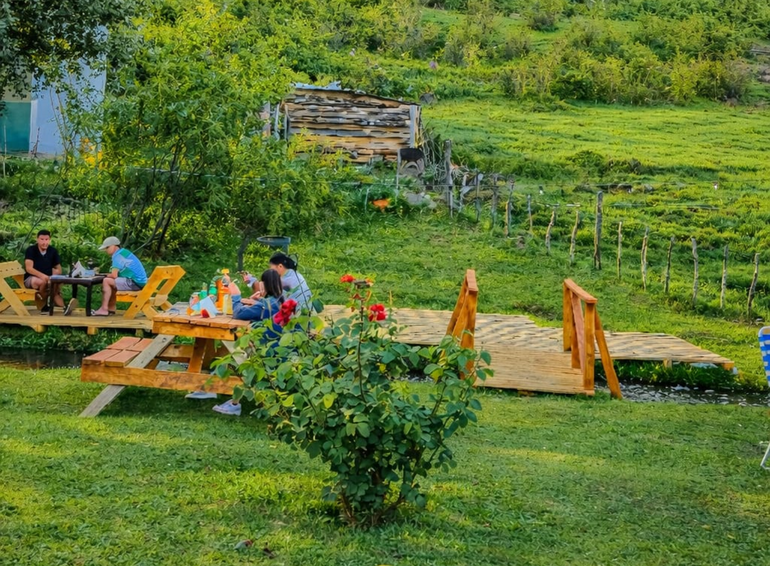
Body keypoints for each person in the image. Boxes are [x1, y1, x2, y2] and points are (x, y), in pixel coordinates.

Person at [210, 269, 286, 416]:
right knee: (235, 357)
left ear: (265, 285)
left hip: (268, 353)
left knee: (238, 360)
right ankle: (213, 391)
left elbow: (239, 314)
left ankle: (232, 402)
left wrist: (236, 296)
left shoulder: (265, 305)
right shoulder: (282, 299)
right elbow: (267, 309)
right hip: (285, 349)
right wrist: (258, 301)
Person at [92, 236, 148, 316]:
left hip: (135, 283)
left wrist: (104, 275)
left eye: (107, 247)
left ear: (114, 246)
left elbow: (114, 275)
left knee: (106, 281)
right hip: (140, 282)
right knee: (112, 282)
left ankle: (104, 309)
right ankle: (111, 308)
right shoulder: (124, 252)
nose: (106, 250)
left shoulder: (117, 256)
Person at [24, 229, 64, 311]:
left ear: (49, 240)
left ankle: (63, 307)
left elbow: (59, 269)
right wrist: (43, 276)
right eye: (42, 239)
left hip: (48, 276)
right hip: (31, 278)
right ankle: (43, 303)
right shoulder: (31, 250)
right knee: (43, 282)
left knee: (56, 285)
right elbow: (29, 268)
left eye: (46, 239)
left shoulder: (53, 251)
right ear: (37, 239)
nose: (44, 242)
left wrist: (54, 273)